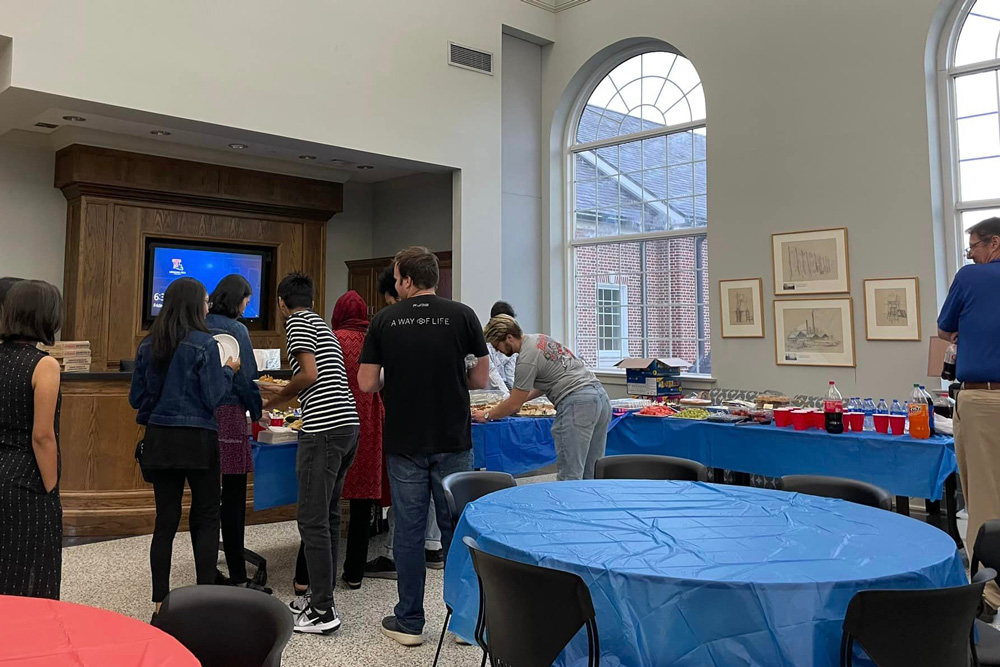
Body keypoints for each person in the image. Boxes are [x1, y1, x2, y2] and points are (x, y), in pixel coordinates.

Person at [359, 246, 490, 647]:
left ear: (406, 281)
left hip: (405, 442)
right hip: (453, 438)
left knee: (410, 532)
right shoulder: (463, 314)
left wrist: (390, 380)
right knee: (458, 530)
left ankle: (410, 621)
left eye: (397, 278)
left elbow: (366, 382)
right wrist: (451, 377)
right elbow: (481, 379)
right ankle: (466, 623)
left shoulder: (384, 320)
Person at [129, 277, 239, 619]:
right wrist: (227, 371)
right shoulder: (205, 345)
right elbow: (213, 397)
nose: (208, 306)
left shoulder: (149, 345)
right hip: (199, 440)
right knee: (207, 517)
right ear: (195, 305)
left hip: (160, 439)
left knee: (166, 521)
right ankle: (203, 597)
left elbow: (136, 398)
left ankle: (160, 601)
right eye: (205, 301)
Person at [261, 272, 359, 635]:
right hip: (348, 425)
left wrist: (274, 397)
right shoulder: (319, 322)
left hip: (324, 430)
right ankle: (321, 595)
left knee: (312, 519)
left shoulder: (297, 322)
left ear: (282, 303)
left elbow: (308, 374)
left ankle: (323, 611)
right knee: (329, 517)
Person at [364, 265, 446, 581]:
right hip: (441, 420)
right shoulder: (446, 320)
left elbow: (371, 380)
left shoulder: (390, 325)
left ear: (403, 287)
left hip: (406, 421)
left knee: (405, 495)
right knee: (435, 492)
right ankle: (433, 546)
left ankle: (393, 555)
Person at [938, 216, 1000, 619]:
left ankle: (989, 591)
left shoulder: (972, 278)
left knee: (984, 495)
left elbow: (945, 328)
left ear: (994, 244)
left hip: (985, 399)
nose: (971, 254)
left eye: (974, 246)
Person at [475, 315, 612, 481]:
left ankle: (570, 505)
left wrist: (487, 415)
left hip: (577, 404)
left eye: (498, 346)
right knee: (592, 472)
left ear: (509, 338)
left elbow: (514, 405)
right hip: (600, 398)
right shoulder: (540, 339)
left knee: (570, 475)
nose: (498, 351)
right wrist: (517, 399)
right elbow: (543, 384)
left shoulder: (526, 358)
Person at [0, 280, 63, 599]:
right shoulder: (44, 365)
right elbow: (42, 436)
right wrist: (51, 489)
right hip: (27, 480)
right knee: (32, 574)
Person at [206, 274, 266, 591]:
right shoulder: (237, 330)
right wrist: (258, 413)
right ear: (237, 298)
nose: (247, 305)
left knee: (205, 498)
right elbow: (247, 379)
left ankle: (207, 571)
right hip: (230, 416)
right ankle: (238, 575)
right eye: (246, 299)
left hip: (200, 418)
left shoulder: (197, 322)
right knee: (233, 497)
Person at [326, 290, 385, 590]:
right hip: (370, 425)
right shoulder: (374, 340)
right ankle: (355, 574)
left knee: (328, 500)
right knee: (362, 504)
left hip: (336, 422)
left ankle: (319, 572)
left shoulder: (331, 338)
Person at [486, 301, 517, 392]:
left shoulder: (511, 341)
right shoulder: (486, 343)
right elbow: (492, 374)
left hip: (504, 389)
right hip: (487, 391)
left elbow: (511, 375)